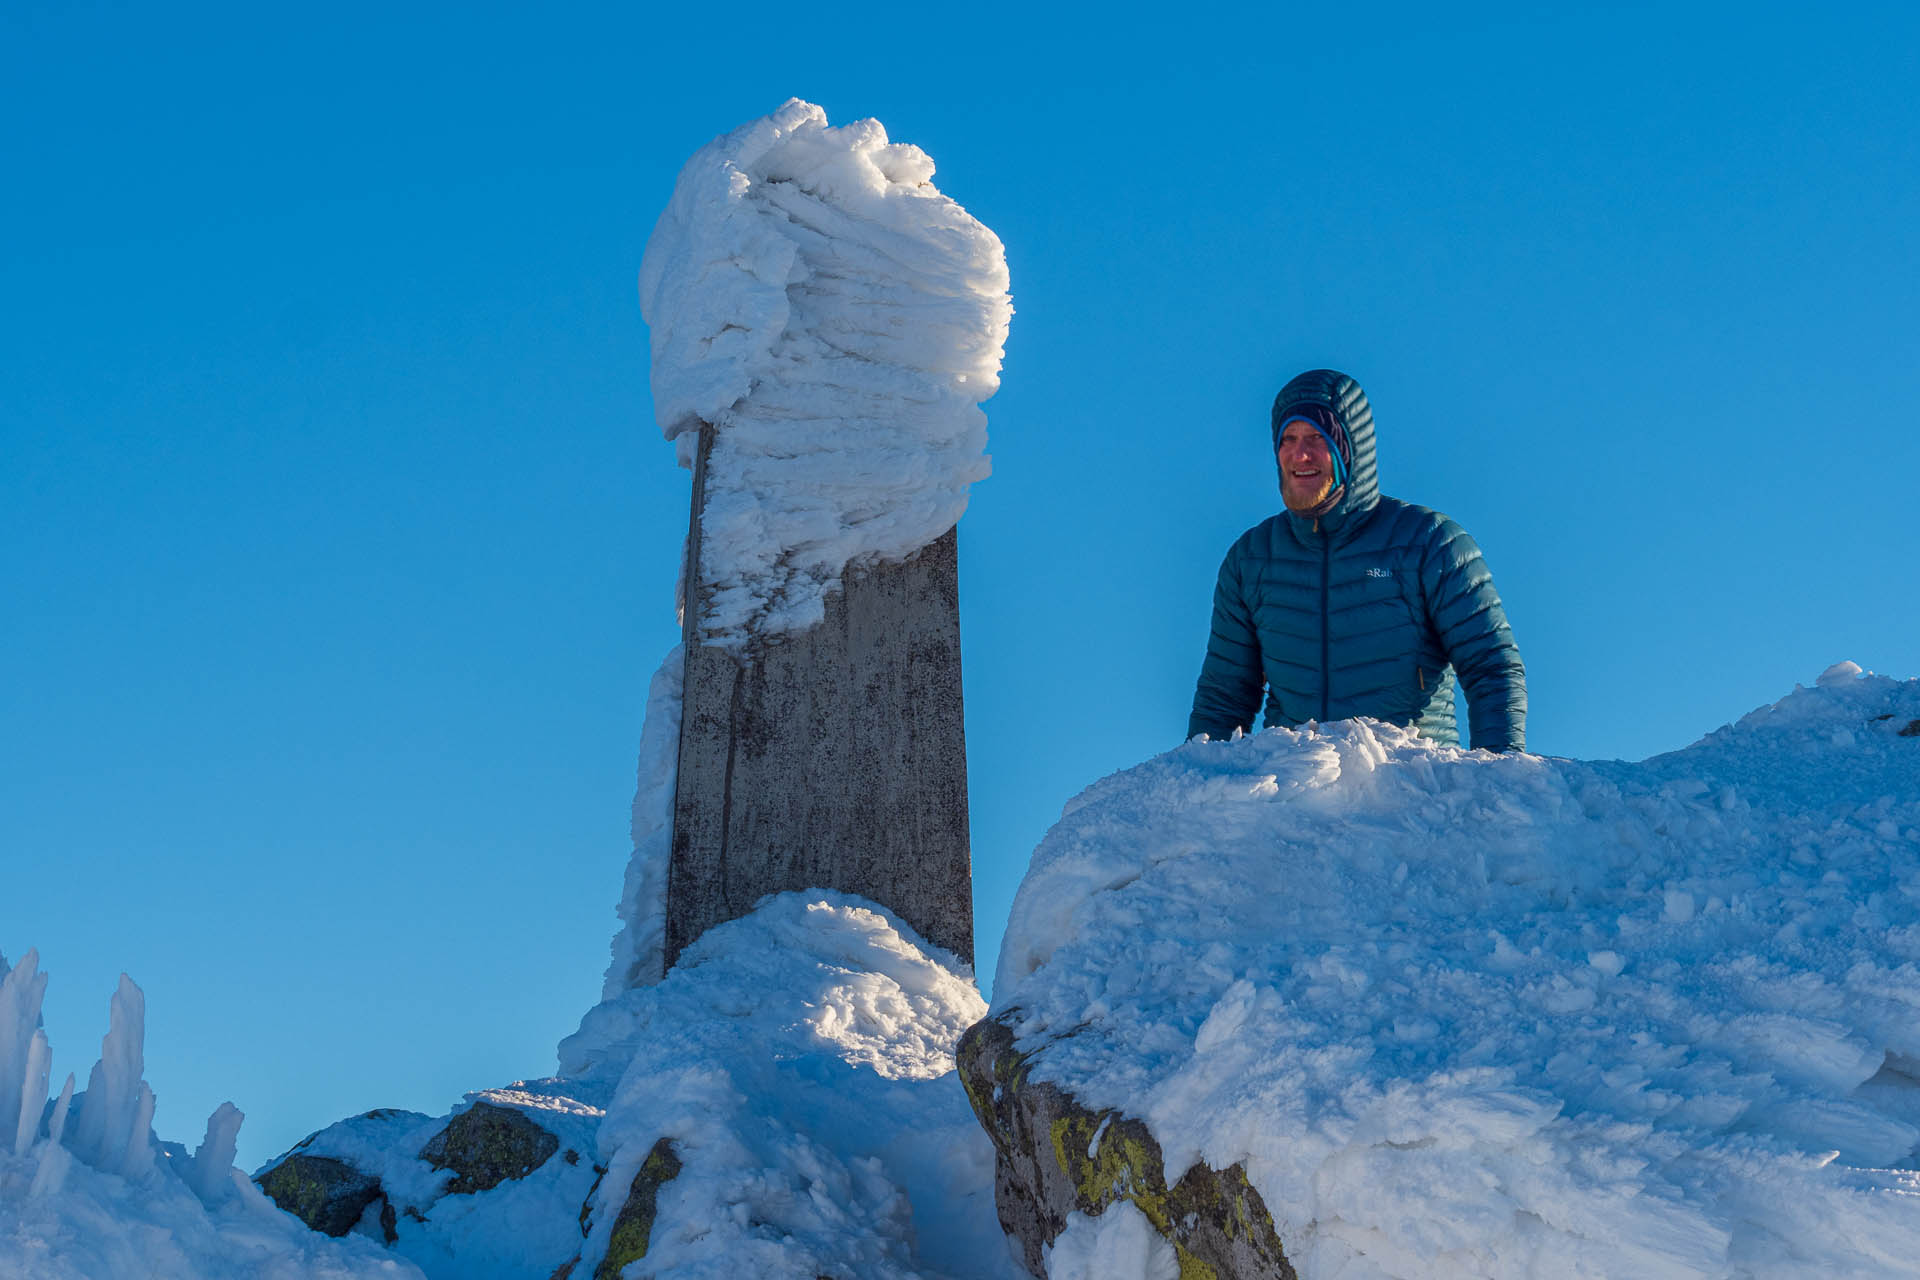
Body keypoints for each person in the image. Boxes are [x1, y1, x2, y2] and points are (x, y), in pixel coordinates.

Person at [1188, 368, 1527, 751]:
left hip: (1413, 786)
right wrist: (1194, 790)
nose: (1300, 454)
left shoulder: (1428, 542)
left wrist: (1495, 778)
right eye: (1288, 438)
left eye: (1318, 437)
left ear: (1352, 449)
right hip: (1293, 792)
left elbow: (1492, 668)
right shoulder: (1251, 560)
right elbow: (1223, 699)